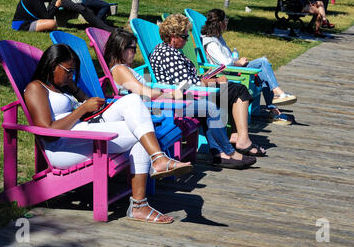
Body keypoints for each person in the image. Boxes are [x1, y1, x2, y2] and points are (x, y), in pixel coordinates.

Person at [24, 43, 193, 224]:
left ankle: (157, 162)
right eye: (68, 70)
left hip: (83, 132)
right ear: (52, 65)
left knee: (133, 100)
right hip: (63, 147)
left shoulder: (62, 87)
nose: (70, 75)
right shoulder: (36, 88)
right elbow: (47, 131)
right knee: (140, 134)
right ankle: (141, 200)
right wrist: (81, 110)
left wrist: (74, 89)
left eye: (73, 72)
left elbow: (85, 105)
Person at [105, 28, 257, 167]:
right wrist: (169, 94)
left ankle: (220, 153)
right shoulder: (119, 69)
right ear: (120, 49)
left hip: (157, 105)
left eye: (135, 47)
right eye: (131, 47)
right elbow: (145, 93)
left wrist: (164, 92)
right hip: (156, 110)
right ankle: (228, 152)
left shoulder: (125, 68)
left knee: (207, 105)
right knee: (210, 107)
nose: (135, 51)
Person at [150, 14, 266, 157]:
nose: (187, 40)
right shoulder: (168, 54)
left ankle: (236, 139)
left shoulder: (169, 51)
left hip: (192, 91)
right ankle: (237, 142)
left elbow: (186, 80)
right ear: (173, 36)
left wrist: (206, 78)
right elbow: (187, 85)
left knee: (235, 90)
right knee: (238, 90)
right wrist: (213, 81)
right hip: (184, 98)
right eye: (185, 37)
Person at [201, 9, 297, 125]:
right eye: (226, 20)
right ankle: (276, 97)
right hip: (227, 73)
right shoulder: (211, 42)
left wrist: (238, 61)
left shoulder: (217, 37)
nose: (227, 23)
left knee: (263, 68)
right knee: (263, 63)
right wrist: (239, 63)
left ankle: (274, 110)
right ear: (220, 23)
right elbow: (225, 64)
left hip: (233, 69)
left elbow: (227, 58)